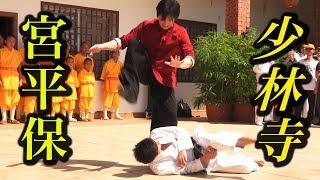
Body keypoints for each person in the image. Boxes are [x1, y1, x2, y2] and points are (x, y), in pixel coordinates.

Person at [90, 0, 195, 130]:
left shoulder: (181, 32)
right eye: (163, 19)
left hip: (165, 78)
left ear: (174, 19)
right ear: (158, 15)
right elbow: (123, 41)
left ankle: (158, 143)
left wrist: (180, 64)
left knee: (167, 119)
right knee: (134, 44)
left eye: (170, 20)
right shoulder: (146, 26)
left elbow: (190, 56)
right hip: (146, 70)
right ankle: (131, 89)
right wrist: (101, 47)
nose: (166, 23)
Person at [133, 125, 263, 175]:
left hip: (197, 140)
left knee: (218, 141)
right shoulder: (159, 167)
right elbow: (185, 169)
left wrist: (181, 149)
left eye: (156, 142)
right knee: (244, 168)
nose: (159, 143)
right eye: (158, 147)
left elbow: (180, 131)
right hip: (202, 159)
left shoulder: (156, 134)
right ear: (154, 157)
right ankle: (251, 161)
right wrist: (205, 159)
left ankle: (250, 140)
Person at [295, 43, 320, 126]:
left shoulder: (317, 63)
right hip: (301, 87)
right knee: (299, 105)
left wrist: (316, 86)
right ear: (305, 50)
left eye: (310, 49)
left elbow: (318, 75)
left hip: (312, 86)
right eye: (307, 49)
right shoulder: (300, 62)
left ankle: (309, 122)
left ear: (313, 51)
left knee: (312, 105)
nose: (309, 51)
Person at [0, 35, 22, 124]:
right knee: (3, 97)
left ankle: (12, 118)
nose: (12, 43)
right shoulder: (1, 52)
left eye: (13, 41)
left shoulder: (17, 53)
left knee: (15, 97)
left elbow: (19, 67)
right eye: (9, 41)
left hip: (14, 76)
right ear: (5, 41)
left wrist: (20, 79)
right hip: (3, 74)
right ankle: (4, 118)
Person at [100, 50, 124, 120]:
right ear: (112, 54)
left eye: (117, 53)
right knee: (108, 99)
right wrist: (102, 82)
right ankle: (105, 114)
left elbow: (122, 74)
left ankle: (116, 114)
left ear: (119, 54)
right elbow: (103, 74)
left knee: (117, 100)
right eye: (114, 53)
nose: (116, 54)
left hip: (117, 83)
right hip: (109, 83)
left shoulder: (120, 64)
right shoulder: (108, 63)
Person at [18, 37, 37, 120]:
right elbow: (19, 66)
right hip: (24, 75)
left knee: (32, 96)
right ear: (23, 41)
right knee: (22, 97)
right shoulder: (20, 52)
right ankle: (21, 115)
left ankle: (31, 113)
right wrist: (21, 77)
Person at [253, 61, 275, 125]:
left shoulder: (273, 63)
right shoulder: (260, 62)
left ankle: (268, 120)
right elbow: (254, 69)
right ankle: (258, 120)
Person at [61, 56, 79, 122]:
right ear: (66, 63)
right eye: (69, 62)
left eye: (72, 62)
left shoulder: (75, 72)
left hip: (73, 88)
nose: (70, 64)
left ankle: (70, 117)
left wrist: (76, 86)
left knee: (72, 104)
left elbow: (76, 82)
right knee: (64, 104)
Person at [78, 57, 95, 121]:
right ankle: (82, 115)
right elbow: (79, 81)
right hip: (84, 90)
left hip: (90, 90)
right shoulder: (81, 72)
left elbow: (93, 81)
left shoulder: (92, 73)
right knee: (83, 103)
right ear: (84, 65)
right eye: (87, 64)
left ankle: (87, 115)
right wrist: (86, 81)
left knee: (89, 104)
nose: (89, 65)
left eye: (90, 64)